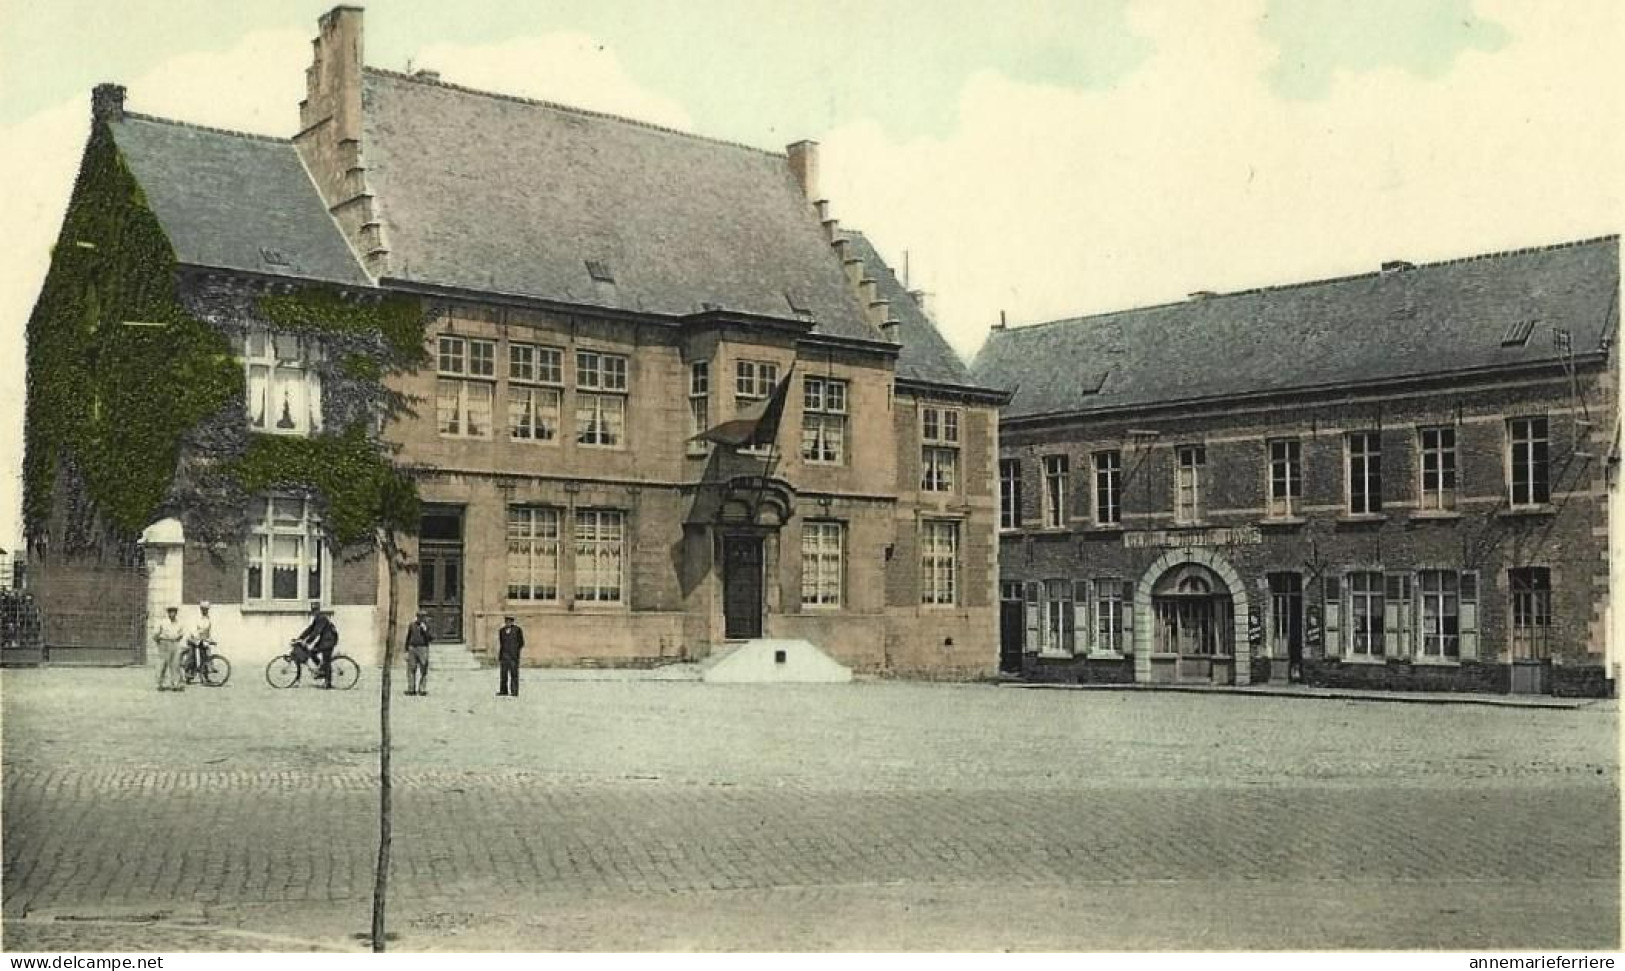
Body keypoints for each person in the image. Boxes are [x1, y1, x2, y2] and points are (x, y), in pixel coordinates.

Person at [295, 601, 340, 688]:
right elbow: (310, 629)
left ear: (319, 610)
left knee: (326, 660)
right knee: (312, 652)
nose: (314, 612)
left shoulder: (322, 618)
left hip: (329, 641)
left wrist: (307, 642)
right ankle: (321, 669)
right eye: (313, 610)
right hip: (324, 640)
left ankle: (328, 682)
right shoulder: (317, 618)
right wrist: (300, 638)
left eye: (315, 610)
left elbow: (316, 632)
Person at [154, 605, 187, 692]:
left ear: (176, 613)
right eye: (170, 612)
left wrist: (178, 638)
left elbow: (181, 633)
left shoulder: (179, 623)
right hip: (164, 643)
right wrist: (159, 642)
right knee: (162, 664)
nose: (172, 614)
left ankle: (175, 684)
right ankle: (160, 684)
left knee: (175, 664)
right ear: (168, 613)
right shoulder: (163, 622)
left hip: (175, 643)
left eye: (174, 612)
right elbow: (156, 634)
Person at [404, 610, 432, 696]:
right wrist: (406, 650)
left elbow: (430, 638)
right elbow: (408, 637)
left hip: (423, 648)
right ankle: (411, 689)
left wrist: (425, 630)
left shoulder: (427, 626)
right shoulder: (412, 625)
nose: (421, 619)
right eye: (420, 617)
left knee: (423, 669)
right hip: (412, 648)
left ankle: (422, 689)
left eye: (423, 617)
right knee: (411, 669)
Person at [497, 614, 524, 697]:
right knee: (503, 674)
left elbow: (521, 642)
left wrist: (516, 651)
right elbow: (501, 642)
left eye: (509, 621)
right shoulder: (501, 630)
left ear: (512, 622)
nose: (508, 623)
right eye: (506, 621)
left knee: (514, 674)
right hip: (504, 655)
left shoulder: (517, 630)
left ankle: (514, 691)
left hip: (513, 656)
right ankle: (503, 690)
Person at [186, 601, 214, 675]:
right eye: (203, 609)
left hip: (203, 640)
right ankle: (189, 672)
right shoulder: (196, 618)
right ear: (201, 609)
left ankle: (205, 674)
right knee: (192, 656)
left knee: (206, 655)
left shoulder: (208, 619)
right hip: (194, 639)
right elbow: (193, 630)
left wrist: (210, 639)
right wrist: (197, 638)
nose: (205, 611)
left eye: (207, 609)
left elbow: (207, 631)